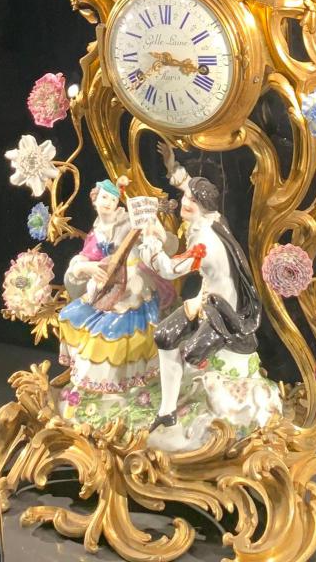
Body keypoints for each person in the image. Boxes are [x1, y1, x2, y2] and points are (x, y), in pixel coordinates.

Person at [140, 143, 262, 430]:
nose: (185, 202)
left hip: (222, 313)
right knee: (164, 335)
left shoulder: (205, 242)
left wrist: (151, 243)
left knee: (191, 355)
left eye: (192, 201)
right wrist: (172, 165)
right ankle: (167, 411)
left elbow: (170, 270)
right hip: (205, 300)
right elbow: (187, 185)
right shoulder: (211, 218)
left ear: (203, 207)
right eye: (187, 197)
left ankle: (201, 396)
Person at [58, 178, 178, 395]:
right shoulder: (97, 232)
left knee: (110, 333)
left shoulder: (130, 222)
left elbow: (165, 245)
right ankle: (88, 378)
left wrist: (156, 230)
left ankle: (121, 383)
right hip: (110, 286)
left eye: (113, 200)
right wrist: (85, 268)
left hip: (136, 286)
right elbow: (85, 257)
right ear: (94, 199)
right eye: (104, 197)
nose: (108, 203)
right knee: (69, 315)